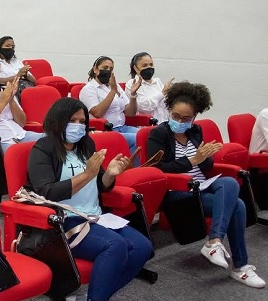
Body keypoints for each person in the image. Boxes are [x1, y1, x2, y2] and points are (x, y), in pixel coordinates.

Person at [27, 97, 153, 301]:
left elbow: (100, 185)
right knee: (116, 246)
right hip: (64, 222)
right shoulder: (43, 149)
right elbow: (45, 192)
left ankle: (94, 296)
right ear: (58, 120)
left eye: (82, 122)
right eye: (72, 121)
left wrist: (110, 174)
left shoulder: (86, 145)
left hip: (95, 216)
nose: (78, 126)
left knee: (143, 247)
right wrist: (87, 174)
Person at [147, 82, 265, 288]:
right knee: (238, 205)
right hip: (179, 191)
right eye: (175, 116)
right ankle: (238, 265)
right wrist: (193, 160)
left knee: (229, 182)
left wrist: (205, 156)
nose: (180, 121)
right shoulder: (159, 134)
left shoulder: (195, 131)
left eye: (186, 118)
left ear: (194, 117)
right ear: (169, 111)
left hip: (201, 185)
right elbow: (158, 170)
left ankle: (215, 243)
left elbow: (206, 165)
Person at [79, 56, 138, 155]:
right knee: (137, 139)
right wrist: (113, 91)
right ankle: (134, 169)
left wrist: (133, 95)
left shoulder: (115, 85)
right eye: (105, 68)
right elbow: (97, 113)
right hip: (105, 130)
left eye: (111, 69)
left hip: (123, 127)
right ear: (95, 70)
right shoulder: (88, 89)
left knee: (149, 135)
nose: (108, 71)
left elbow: (130, 113)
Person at [125, 52, 174, 124]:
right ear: (136, 68)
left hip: (165, 123)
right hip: (148, 126)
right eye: (144, 65)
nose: (149, 67)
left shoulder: (157, 81)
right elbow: (144, 107)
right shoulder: (132, 84)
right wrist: (163, 93)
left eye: (151, 65)